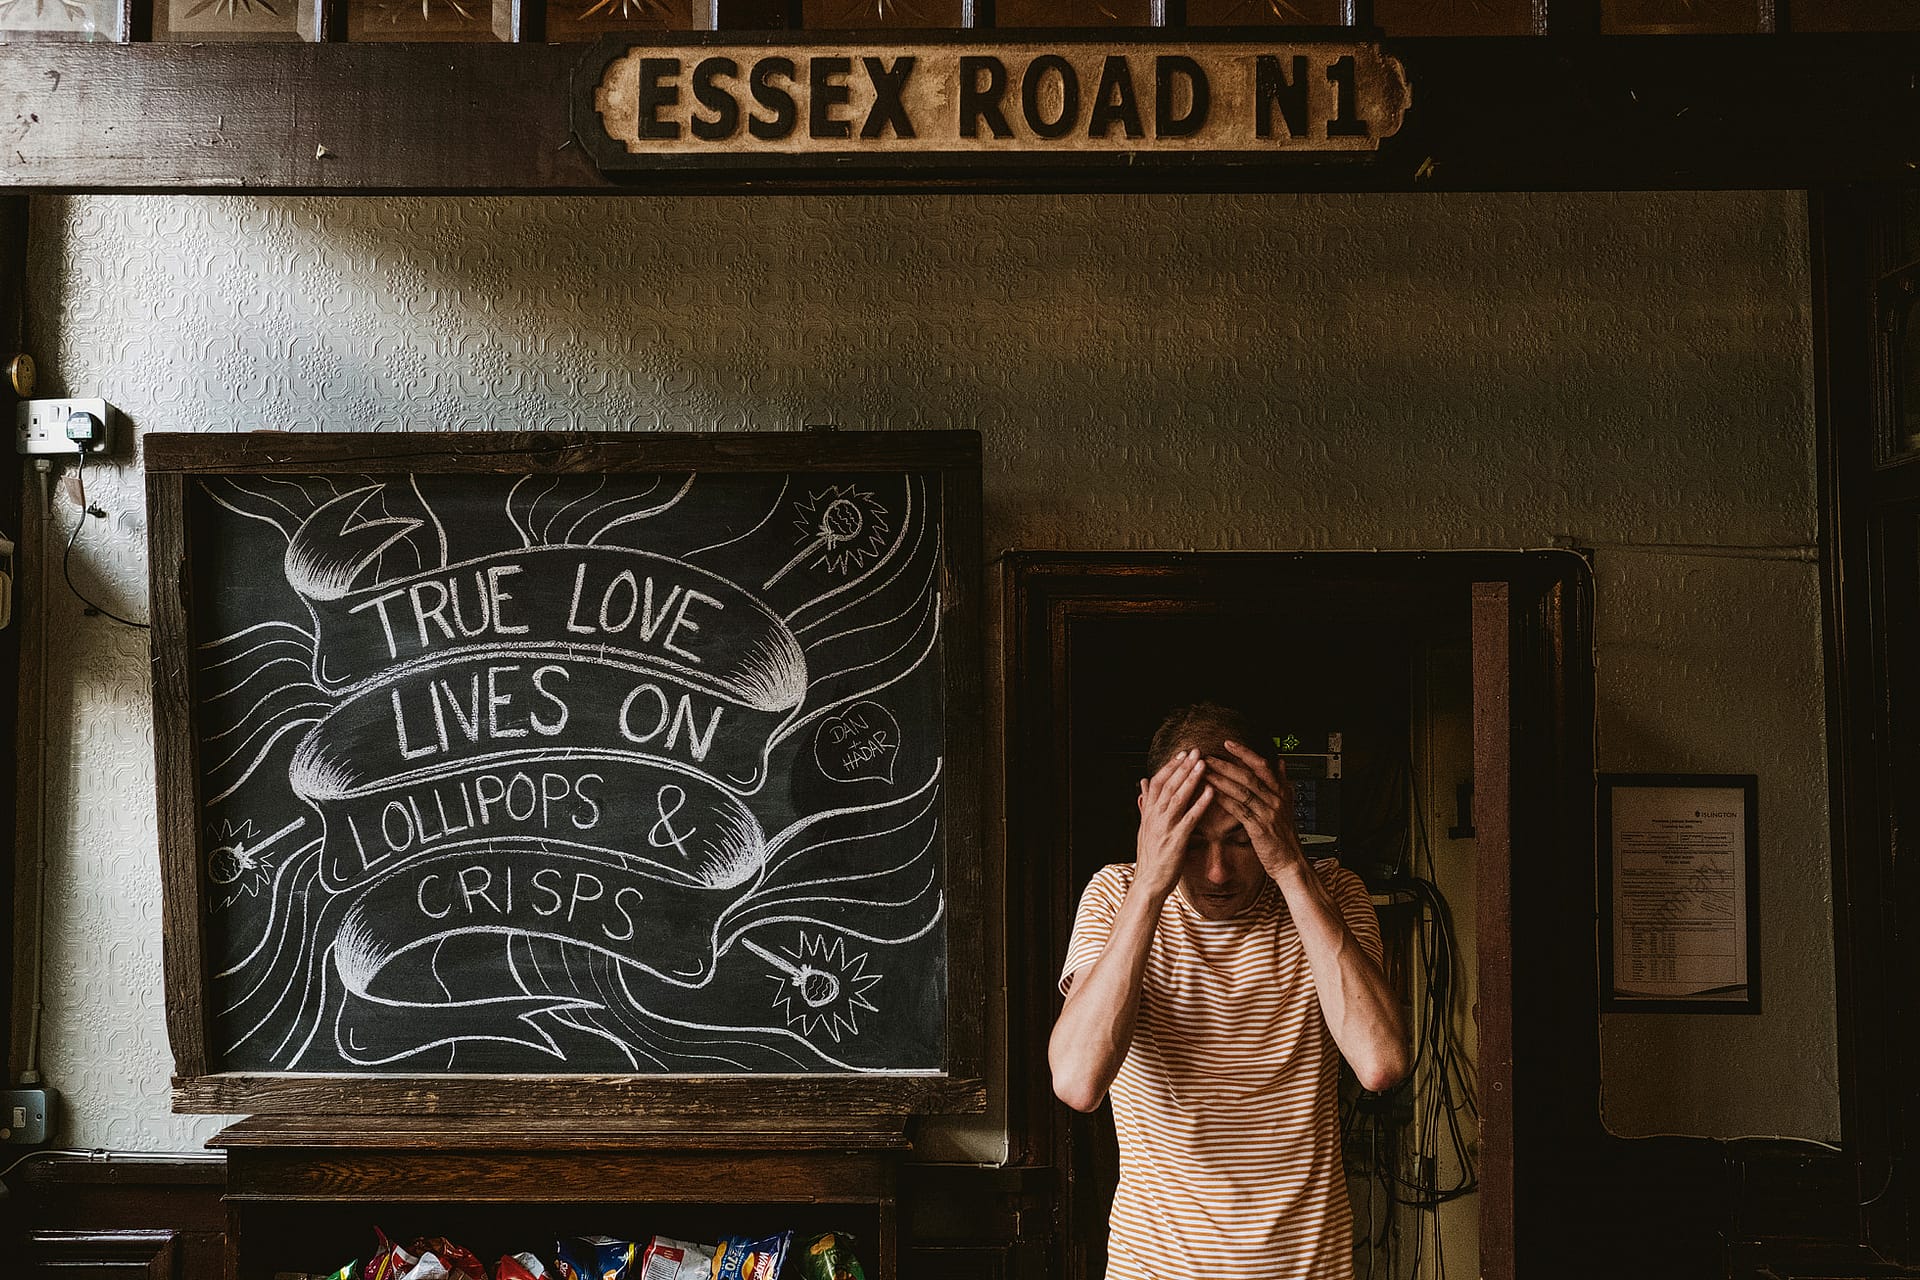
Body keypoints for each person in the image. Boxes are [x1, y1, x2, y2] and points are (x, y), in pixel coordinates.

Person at [1049, 702, 1409, 1280]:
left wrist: (1289, 864)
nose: (1218, 872)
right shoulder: (1117, 894)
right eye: (1192, 841)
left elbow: (1382, 1062)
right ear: (1149, 814)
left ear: (1281, 810)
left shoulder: (1335, 891)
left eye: (1242, 840)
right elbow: (1076, 1082)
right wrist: (1149, 887)